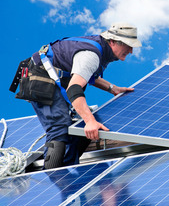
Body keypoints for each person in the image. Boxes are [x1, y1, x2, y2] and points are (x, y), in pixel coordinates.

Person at [13, 22, 142, 169]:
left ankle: (67, 171)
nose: (131, 50)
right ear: (112, 41)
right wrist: (90, 121)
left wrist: (112, 88)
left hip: (51, 77)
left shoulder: (100, 50)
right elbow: (74, 88)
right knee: (60, 127)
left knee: (79, 128)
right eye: (128, 45)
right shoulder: (91, 55)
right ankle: (52, 175)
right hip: (39, 78)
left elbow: (86, 74)